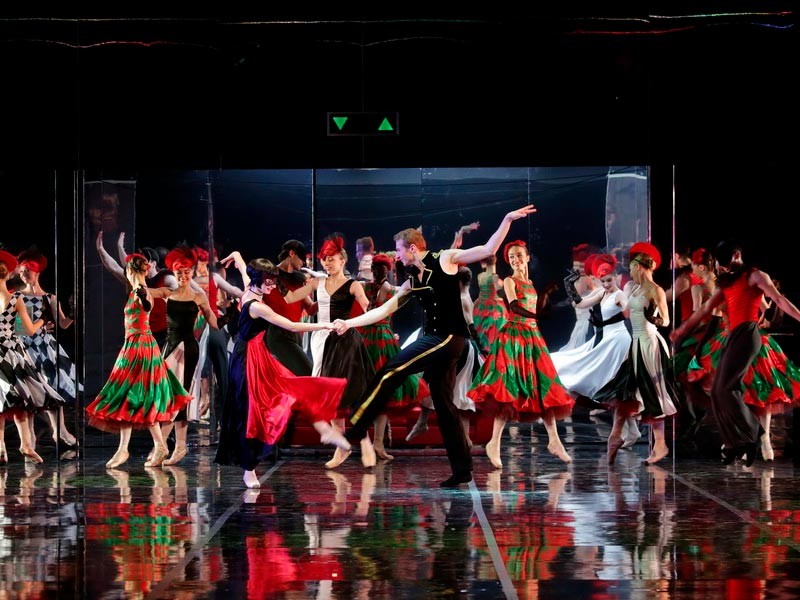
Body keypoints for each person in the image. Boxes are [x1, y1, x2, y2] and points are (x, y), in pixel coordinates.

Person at [333, 204, 538, 487]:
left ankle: (356, 428)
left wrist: (507, 220)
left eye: (399, 250)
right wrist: (349, 323)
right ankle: (462, 470)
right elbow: (382, 310)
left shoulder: (445, 259)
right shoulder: (412, 281)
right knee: (444, 406)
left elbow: (488, 249)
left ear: (412, 248)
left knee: (393, 369)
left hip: (448, 338)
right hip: (440, 342)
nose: (397, 255)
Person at [214, 258, 350, 489]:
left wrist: (236, 256)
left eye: (273, 281)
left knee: (291, 389)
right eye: (268, 282)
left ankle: (324, 429)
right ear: (258, 280)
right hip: (247, 360)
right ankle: (249, 469)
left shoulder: (250, 289)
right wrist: (324, 325)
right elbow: (291, 326)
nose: (272, 286)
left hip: (257, 354)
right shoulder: (257, 306)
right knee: (252, 411)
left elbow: (243, 268)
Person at [671, 241, 800, 465]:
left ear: (738, 255)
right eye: (721, 264)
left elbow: (778, 300)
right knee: (718, 391)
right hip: (732, 336)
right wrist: (683, 329)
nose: (724, 267)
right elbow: (705, 308)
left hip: (748, 333)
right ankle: (734, 442)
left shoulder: (755, 275)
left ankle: (755, 434)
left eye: (727, 262)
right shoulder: (727, 282)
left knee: (728, 388)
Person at [468, 240, 575, 468]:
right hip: (514, 338)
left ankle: (554, 440)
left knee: (543, 387)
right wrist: (536, 317)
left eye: (519, 255)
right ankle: (494, 442)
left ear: (527, 257)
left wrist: (545, 295)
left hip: (532, 337)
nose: (516, 260)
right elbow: (515, 307)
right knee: (508, 390)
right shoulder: (509, 281)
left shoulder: (530, 283)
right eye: (512, 257)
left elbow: (537, 308)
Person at [85, 253, 191, 469]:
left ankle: (149, 446)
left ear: (130, 271)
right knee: (131, 396)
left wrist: (143, 298)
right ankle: (134, 447)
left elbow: (147, 305)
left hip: (140, 347)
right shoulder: (136, 289)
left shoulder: (141, 291)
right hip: (134, 345)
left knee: (137, 395)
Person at [551, 253, 635, 462]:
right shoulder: (602, 293)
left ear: (615, 277)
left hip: (618, 341)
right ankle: (631, 429)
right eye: (603, 280)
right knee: (608, 386)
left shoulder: (619, 295)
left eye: (609, 280)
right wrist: (569, 285)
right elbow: (580, 304)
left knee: (614, 386)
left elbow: (628, 312)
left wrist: (617, 316)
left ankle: (628, 430)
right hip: (606, 340)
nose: (606, 284)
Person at [149, 246, 219, 465]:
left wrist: (231, 320)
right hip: (169, 348)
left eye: (187, 272)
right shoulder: (168, 293)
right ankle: (173, 445)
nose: (183, 276)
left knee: (180, 396)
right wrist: (137, 280)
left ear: (192, 272)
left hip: (188, 349)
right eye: (179, 272)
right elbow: (146, 291)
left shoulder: (199, 296)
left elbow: (213, 321)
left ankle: (169, 446)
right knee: (167, 397)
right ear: (174, 273)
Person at [357, 253, 430, 460]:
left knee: (373, 390)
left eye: (377, 268)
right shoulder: (385, 289)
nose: (377, 271)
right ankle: (376, 443)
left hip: (370, 338)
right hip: (379, 339)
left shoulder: (367, 286)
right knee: (382, 392)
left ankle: (374, 443)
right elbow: (411, 289)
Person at [615, 242, 678, 465]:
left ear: (639, 267)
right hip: (636, 343)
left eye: (632, 267)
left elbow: (667, 320)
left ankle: (660, 444)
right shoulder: (634, 288)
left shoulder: (655, 290)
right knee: (636, 391)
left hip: (650, 343)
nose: (630, 272)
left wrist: (654, 319)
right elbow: (626, 311)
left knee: (653, 392)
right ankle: (631, 434)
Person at [0, 249, 64, 465]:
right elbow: (27, 330)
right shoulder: (15, 299)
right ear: (9, 274)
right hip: (11, 352)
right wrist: (43, 321)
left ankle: (1, 448)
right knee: (20, 399)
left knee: (2, 400)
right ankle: (26, 444)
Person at [15, 247, 80, 450]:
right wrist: (41, 323)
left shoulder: (49, 297)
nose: (24, 274)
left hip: (45, 348)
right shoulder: (17, 296)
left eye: (28, 270)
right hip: (25, 347)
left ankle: (59, 431)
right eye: (22, 271)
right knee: (29, 393)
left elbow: (63, 324)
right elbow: (20, 328)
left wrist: (73, 313)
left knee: (52, 390)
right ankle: (30, 438)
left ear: (37, 272)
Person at [560, 243, 598, 351]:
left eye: (581, 267)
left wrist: (569, 282)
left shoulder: (586, 278)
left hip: (589, 320)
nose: (578, 270)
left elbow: (575, 298)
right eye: (575, 267)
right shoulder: (581, 279)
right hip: (583, 320)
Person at [472, 253, 507, 356]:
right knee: (494, 332)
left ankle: (483, 353)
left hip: (480, 305)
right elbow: (499, 289)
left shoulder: (480, 276)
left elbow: (482, 292)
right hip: (493, 308)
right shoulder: (495, 278)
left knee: (482, 331)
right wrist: (503, 284)